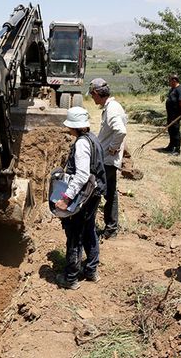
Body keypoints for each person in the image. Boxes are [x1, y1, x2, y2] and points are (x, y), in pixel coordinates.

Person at [54, 107, 107, 290]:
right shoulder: (93, 138)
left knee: (75, 235)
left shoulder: (82, 144)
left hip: (85, 195)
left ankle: (70, 278)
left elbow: (82, 175)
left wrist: (66, 198)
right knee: (89, 230)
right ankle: (91, 271)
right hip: (95, 193)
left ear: (74, 127)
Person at [88, 78, 127, 240]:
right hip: (109, 160)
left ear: (97, 93)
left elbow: (120, 131)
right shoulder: (113, 106)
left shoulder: (111, 109)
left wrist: (113, 147)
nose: (92, 98)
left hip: (107, 161)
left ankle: (89, 227)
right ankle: (111, 228)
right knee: (111, 194)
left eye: (92, 95)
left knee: (94, 192)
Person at [163, 74, 181, 156]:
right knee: (170, 130)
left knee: (175, 131)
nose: (169, 82)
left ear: (174, 81)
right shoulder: (172, 89)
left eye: (170, 81)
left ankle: (177, 150)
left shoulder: (179, 89)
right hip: (170, 114)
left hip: (176, 115)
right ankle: (171, 146)